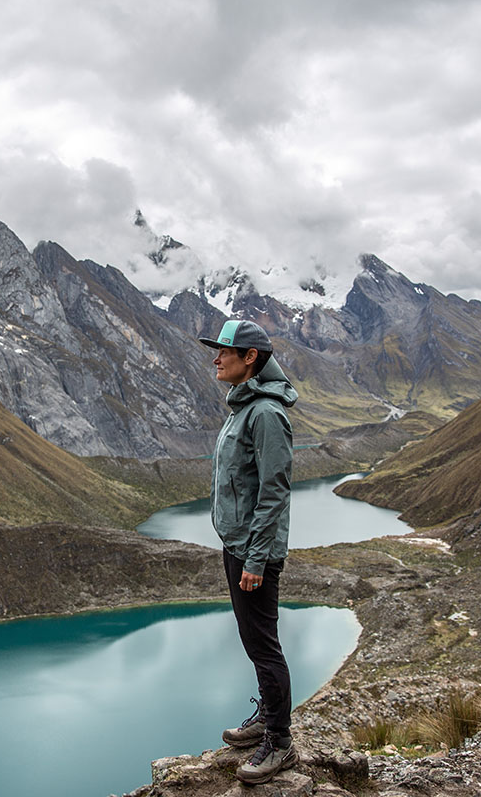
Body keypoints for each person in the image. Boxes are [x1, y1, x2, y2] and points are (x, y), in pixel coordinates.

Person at [198, 318, 299, 785]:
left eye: (224, 352)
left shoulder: (265, 414)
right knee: (253, 640)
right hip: (238, 544)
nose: (216, 359)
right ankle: (266, 718)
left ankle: (279, 743)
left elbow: (274, 493)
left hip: (253, 550)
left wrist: (257, 559)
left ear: (250, 358)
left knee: (264, 644)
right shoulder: (244, 407)